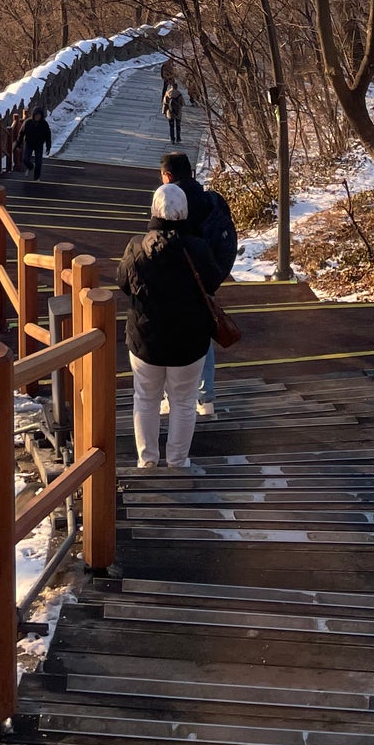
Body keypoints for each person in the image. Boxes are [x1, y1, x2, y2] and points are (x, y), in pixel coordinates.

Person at [116, 183, 224, 469]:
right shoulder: (198, 248)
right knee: (184, 402)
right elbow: (213, 282)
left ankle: (147, 461)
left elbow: (122, 282)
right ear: (184, 212)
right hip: (189, 341)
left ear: (154, 209)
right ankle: (178, 462)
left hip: (145, 341)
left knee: (145, 399)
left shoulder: (136, 245)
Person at [160, 152, 238, 418]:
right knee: (203, 336)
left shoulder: (170, 199)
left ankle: (172, 397)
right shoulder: (208, 199)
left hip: (177, 279)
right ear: (191, 172)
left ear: (167, 175)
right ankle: (206, 400)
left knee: (170, 337)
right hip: (206, 277)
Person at [19, 101, 53, 181]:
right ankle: (30, 167)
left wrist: (48, 146)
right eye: (36, 115)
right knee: (25, 159)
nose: (38, 117)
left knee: (38, 162)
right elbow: (21, 133)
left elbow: (48, 135)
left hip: (39, 144)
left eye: (39, 115)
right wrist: (18, 143)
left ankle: (36, 178)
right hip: (29, 143)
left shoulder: (44, 124)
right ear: (33, 115)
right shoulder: (28, 122)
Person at [161, 73, 186, 145]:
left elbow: (165, 103)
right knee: (178, 126)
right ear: (176, 87)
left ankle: (172, 139)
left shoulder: (167, 93)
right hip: (178, 112)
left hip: (170, 112)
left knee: (171, 126)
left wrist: (164, 112)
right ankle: (178, 138)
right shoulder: (179, 94)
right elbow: (182, 103)